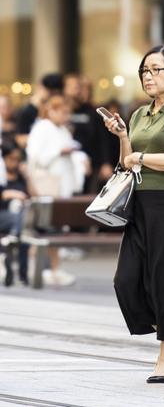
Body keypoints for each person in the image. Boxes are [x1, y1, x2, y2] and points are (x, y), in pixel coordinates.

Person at [104, 44, 164, 384]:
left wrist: (140, 158)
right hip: (140, 201)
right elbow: (125, 161)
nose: (149, 76)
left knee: (161, 276)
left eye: (157, 70)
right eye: (145, 70)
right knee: (126, 280)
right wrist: (122, 137)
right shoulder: (139, 114)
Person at [26, 94, 89, 287]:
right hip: (47, 185)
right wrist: (59, 151)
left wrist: (81, 158)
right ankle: (44, 269)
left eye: (67, 112)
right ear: (51, 110)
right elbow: (34, 156)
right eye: (63, 112)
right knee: (47, 229)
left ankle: (51, 269)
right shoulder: (42, 127)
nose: (66, 116)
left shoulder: (62, 129)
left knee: (55, 229)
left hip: (61, 185)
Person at [0, 142, 30, 287]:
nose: (14, 162)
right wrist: (8, 194)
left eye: (17, 159)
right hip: (3, 216)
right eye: (11, 158)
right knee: (17, 216)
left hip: (18, 220)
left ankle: (22, 277)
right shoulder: (1, 174)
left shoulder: (20, 177)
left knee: (23, 239)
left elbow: (32, 195)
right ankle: (13, 236)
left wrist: (28, 176)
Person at [15, 73, 62, 149]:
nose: (53, 97)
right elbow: (20, 139)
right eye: (51, 93)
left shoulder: (57, 110)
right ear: (40, 88)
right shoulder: (27, 111)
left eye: (56, 93)